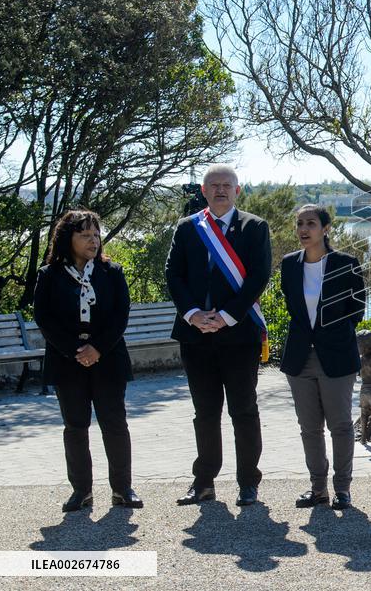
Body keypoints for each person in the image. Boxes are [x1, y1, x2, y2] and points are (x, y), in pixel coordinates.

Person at [165, 164, 272, 507]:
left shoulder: (254, 227)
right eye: (214, 185)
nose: (221, 190)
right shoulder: (188, 227)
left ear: (238, 191)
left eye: (227, 185)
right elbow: (173, 274)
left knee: (244, 411)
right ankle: (204, 482)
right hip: (196, 335)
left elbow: (259, 276)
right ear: (204, 190)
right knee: (205, 413)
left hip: (239, 336)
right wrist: (193, 314)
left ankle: (248, 482)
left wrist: (226, 317)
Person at [33, 210, 142, 511]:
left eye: (96, 235)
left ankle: (122, 489)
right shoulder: (49, 275)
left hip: (108, 358)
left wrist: (97, 349)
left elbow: (120, 315)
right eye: (85, 235)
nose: (93, 240)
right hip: (67, 361)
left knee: (114, 424)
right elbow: (44, 318)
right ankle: (81, 491)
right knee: (75, 426)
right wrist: (76, 351)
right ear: (68, 238)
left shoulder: (112, 272)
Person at [280, 204, 366, 509]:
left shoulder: (346, 263)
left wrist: (332, 334)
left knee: (340, 426)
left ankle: (342, 489)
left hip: (337, 356)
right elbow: (292, 306)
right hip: (299, 357)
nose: (304, 229)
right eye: (300, 223)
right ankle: (318, 489)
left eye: (311, 223)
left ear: (326, 228)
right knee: (309, 428)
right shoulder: (289, 264)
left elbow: (357, 309)